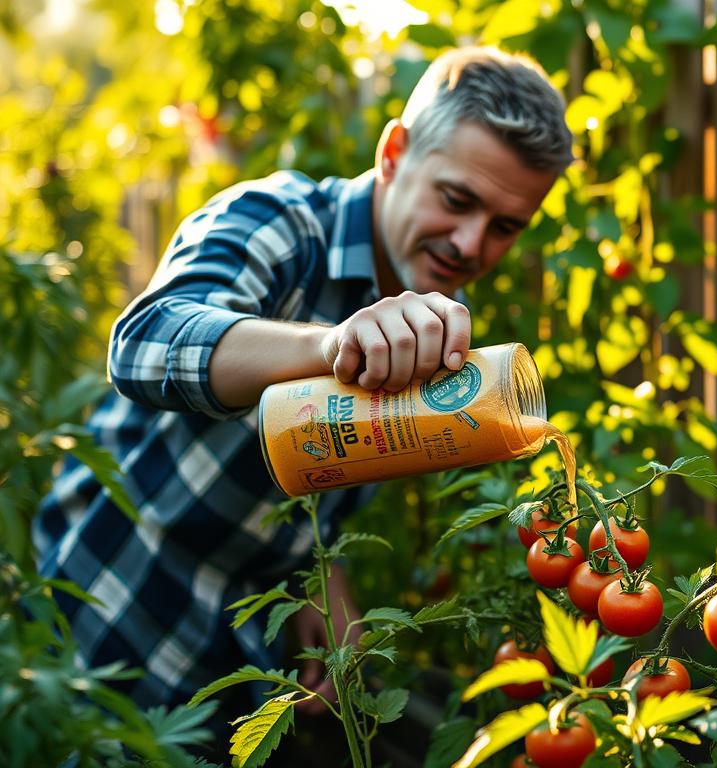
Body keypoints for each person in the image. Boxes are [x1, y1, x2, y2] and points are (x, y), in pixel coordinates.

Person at [32, 46, 571, 730]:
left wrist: (319, 575)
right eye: (457, 200)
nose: (470, 245)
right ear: (395, 154)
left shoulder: (438, 319)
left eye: (505, 227)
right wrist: (328, 344)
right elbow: (144, 340)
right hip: (107, 612)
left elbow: (329, 453)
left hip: (237, 662)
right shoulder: (282, 222)